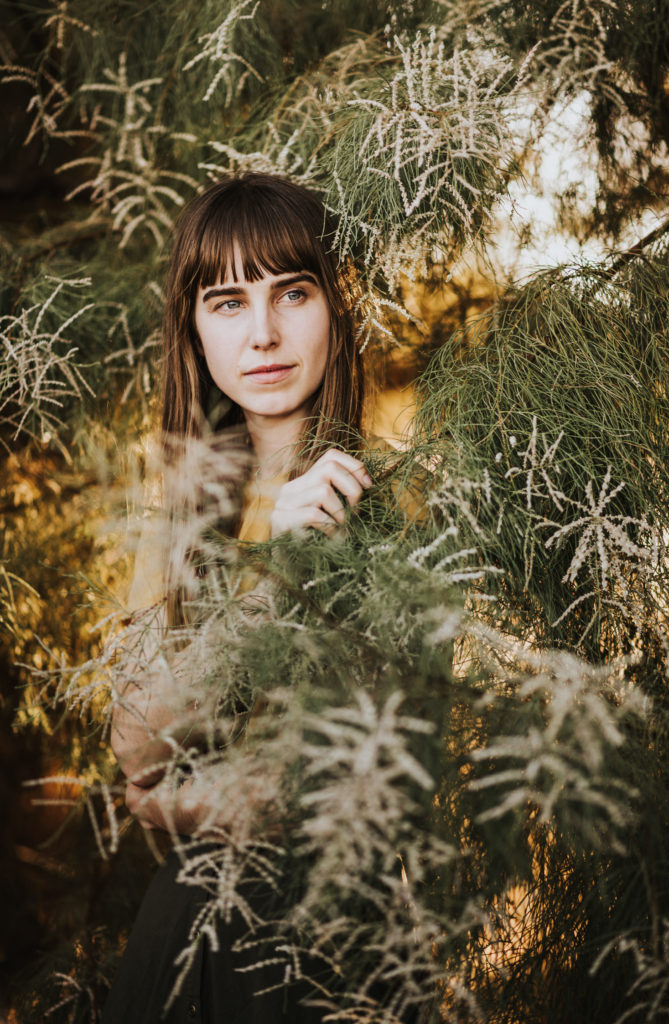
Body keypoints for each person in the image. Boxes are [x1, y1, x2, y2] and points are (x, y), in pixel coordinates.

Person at [103, 173, 378, 1022]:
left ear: (335, 305)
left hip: (326, 947)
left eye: (292, 293)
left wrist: (171, 797)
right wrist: (268, 568)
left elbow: (323, 792)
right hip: (179, 944)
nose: (263, 333)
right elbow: (133, 747)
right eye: (227, 303)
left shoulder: (391, 499)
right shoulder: (180, 515)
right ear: (194, 328)